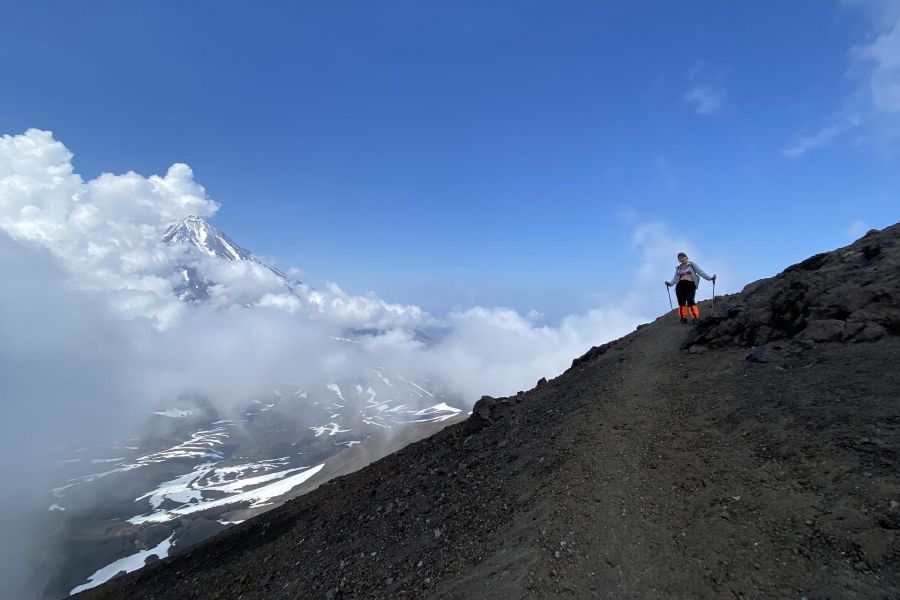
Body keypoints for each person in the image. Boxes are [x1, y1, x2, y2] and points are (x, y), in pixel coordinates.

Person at [665, 252, 716, 323]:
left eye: (682, 257)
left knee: (690, 300)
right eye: (679, 258)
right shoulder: (678, 268)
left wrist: (710, 278)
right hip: (680, 285)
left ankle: (695, 317)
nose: (681, 259)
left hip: (690, 284)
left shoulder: (691, 264)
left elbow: (701, 272)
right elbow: (675, 279)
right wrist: (669, 283)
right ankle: (683, 319)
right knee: (681, 302)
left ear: (686, 257)